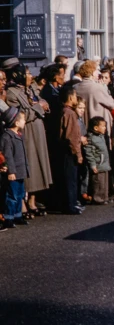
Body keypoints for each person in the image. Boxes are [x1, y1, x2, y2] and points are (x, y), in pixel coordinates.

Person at [5, 64, 51, 217]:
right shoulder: (12, 93)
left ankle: (33, 200)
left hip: (38, 131)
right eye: (27, 73)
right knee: (29, 163)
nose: (30, 76)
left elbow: (41, 102)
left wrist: (41, 105)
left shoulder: (30, 89)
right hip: (27, 132)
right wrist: (38, 108)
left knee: (39, 164)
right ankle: (23, 203)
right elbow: (20, 114)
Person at [1, 108, 29, 230]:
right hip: (14, 172)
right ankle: (8, 217)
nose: (25, 121)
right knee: (11, 195)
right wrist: (10, 171)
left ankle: (17, 215)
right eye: (23, 119)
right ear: (16, 123)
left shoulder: (18, 136)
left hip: (20, 171)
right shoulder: (7, 137)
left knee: (20, 194)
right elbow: (7, 156)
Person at [58, 85, 84, 215]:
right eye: (74, 95)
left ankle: (70, 203)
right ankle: (71, 205)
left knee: (70, 178)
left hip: (65, 149)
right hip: (70, 151)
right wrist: (78, 153)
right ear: (70, 97)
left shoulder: (64, 111)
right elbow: (72, 136)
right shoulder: (70, 113)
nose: (75, 98)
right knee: (71, 179)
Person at [83, 116, 111, 204]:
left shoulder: (101, 136)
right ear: (96, 128)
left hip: (104, 163)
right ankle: (98, 198)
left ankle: (104, 197)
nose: (105, 128)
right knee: (98, 182)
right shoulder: (91, 138)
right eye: (103, 126)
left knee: (104, 182)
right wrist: (93, 164)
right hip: (98, 163)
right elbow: (89, 153)